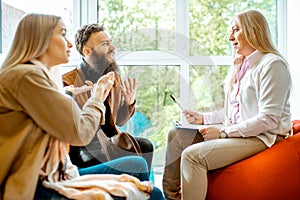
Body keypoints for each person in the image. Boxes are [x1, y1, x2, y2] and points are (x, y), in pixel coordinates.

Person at [0, 13, 164, 200]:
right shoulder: (29, 77)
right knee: (145, 178)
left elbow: (116, 120)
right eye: (62, 34)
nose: (69, 44)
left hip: (60, 168)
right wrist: (96, 96)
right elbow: (79, 132)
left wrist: (128, 102)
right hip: (46, 174)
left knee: (146, 176)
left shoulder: (41, 76)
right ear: (40, 39)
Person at [163, 9, 292, 200]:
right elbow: (236, 108)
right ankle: (171, 197)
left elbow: (269, 119)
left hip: (263, 137)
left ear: (253, 31)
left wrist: (223, 133)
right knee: (177, 136)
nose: (230, 37)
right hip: (241, 133)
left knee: (192, 156)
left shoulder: (272, 64)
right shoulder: (244, 65)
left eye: (236, 30)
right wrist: (203, 118)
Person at [62, 23, 154, 172]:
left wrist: (129, 103)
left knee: (146, 146)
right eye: (105, 44)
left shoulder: (112, 78)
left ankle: (135, 188)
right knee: (132, 155)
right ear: (87, 51)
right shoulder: (68, 82)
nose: (112, 48)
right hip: (84, 147)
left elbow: (118, 121)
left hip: (110, 141)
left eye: (110, 43)